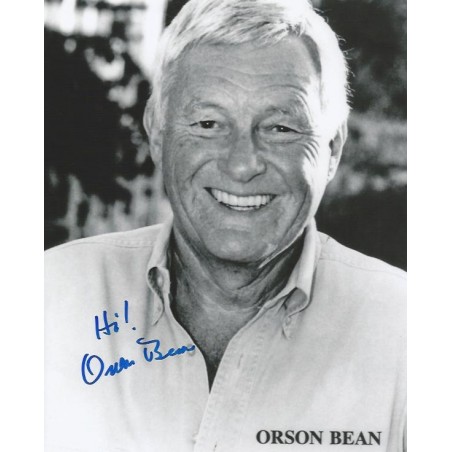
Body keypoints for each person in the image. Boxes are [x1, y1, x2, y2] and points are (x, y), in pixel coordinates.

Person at [45, 0, 406, 451]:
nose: (242, 164)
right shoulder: (45, 300)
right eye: (208, 123)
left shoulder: (412, 335)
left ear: (332, 148)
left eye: (280, 128)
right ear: (157, 132)